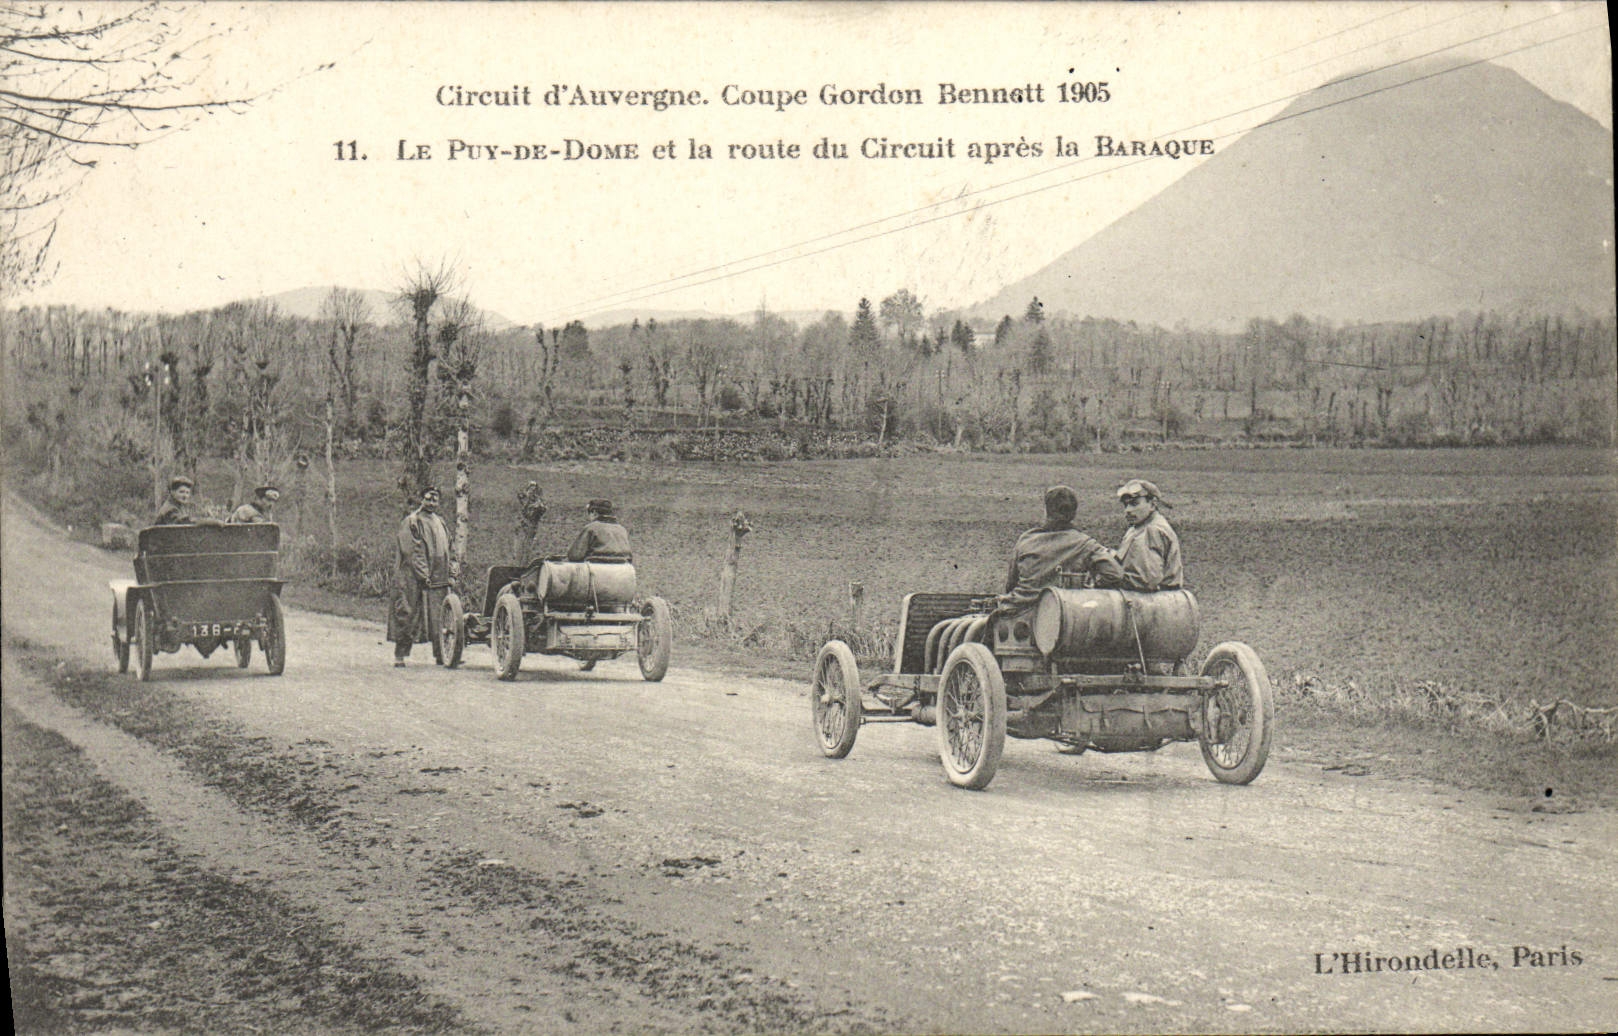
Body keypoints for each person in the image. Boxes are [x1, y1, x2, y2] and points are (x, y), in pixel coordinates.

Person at [998, 485, 1124, 609]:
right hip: (1060, 612)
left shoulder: (1026, 539)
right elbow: (1114, 574)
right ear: (1073, 514)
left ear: (1046, 511)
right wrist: (1089, 589)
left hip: (1019, 609)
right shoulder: (1085, 544)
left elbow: (1010, 585)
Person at [388, 486, 452, 667]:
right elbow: (413, 551)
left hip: (438, 576)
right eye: (428, 499)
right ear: (422, 500)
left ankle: (441, 655)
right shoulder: (412, 521)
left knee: (439, 616)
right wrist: (423, 575)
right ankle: (400, 655)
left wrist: (452, 572)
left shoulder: (440, 522)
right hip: (411, 576)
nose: (431, 503)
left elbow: (450, 547)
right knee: (407, 613)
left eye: (435, 499)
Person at [1115, 478, 1183, 591]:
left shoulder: (1153, 530)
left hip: (1155, 598)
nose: (1128, 510)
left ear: (1152, 504)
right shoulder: (1137, 527)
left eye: (1134, 504)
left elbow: (1145, 581)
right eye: (1125, 505)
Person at [566, 498, 631, 561]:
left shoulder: (591, 528)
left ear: (594, 512)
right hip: (624, 566)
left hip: (596, 565)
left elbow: (575, 555)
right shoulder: (622, 529)